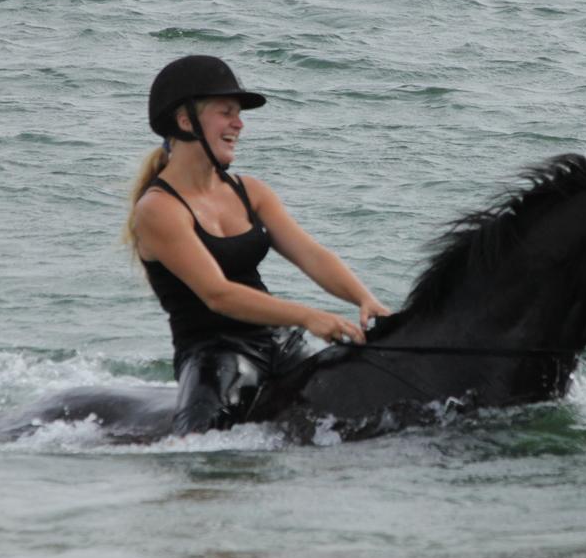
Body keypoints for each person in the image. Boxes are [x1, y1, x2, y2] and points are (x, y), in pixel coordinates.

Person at [125, 55, 390, 435]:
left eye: (239, 114)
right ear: (186, 122)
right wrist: (307, 315)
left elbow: (312, 255)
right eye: (226, 112)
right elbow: (218, 295)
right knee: (203, 451)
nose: (239, 123)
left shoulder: (251, 192)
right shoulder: (158, 210)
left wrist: (364, 300)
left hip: (280, 344)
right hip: (216, 355)